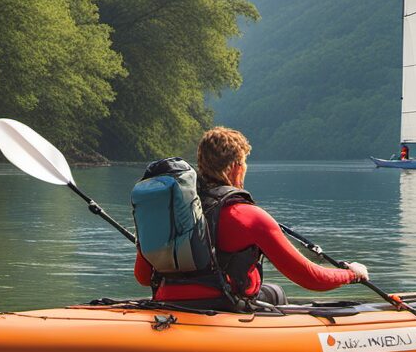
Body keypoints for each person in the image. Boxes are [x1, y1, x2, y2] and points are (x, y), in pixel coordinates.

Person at [134, 127, 369, 309]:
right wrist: (351, 274)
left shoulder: (174, 211)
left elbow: (143, 277)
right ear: (236, 167)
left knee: (270, 291)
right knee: (276, 293)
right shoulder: (248, 216)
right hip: (222, 305)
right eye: (245, 163)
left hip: (167, 301)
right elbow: (310, 278)